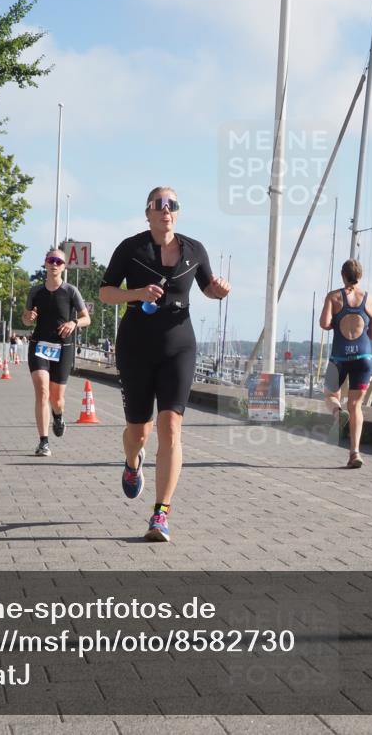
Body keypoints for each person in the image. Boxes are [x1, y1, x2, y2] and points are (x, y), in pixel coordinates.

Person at [99, 187, 230, 542]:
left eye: (172, 205)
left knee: (170, 425)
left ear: (178, 212)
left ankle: (161, 514)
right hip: (136, 345)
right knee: (139, 433)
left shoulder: (194, 250)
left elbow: (208, 289)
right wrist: (137, 294)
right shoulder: (131, 248)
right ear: (148, 212)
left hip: (179, 345)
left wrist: (220, 289)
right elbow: (105, 292)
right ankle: (132, 463)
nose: (166, 210)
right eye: (159, 205)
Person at [22, 249, 91, 456]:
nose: (54, 264)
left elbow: (87, 318)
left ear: (63, 266)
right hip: (39, 345)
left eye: (58, 261)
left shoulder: (70, 291)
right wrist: (29, 317)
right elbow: (25, 319)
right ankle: (43, 441)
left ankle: (58, 415)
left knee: (56, 399)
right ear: (45, 263)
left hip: (63, 348)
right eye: (51, 260)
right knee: (42, 391)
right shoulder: (35, 291)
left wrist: (74, 322)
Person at [319, 259, 372, 468]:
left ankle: (337, 412)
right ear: (360, 276)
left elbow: (324, 324)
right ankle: (355, 453)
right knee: (356, 405)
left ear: (342, 275)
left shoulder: (333, 297)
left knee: (329, 394)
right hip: (363, 358)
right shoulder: (370, 300)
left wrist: (338, 320)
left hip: (340, 357)